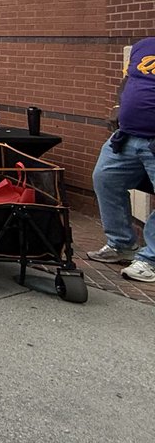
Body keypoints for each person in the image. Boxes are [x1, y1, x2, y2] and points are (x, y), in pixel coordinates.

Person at [85, 37, 155, 283]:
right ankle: (122, 245)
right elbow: (127, 80)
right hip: (126, 136)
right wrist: (118, 104)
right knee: (105, 180)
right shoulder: (144, 46)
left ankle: (151, 260)